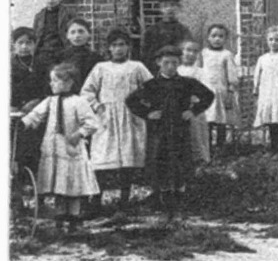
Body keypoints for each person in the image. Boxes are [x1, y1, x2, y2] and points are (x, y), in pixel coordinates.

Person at [125, 46, 214, 215]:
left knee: (181, 161)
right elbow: (131, 100)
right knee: (160, 161)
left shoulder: (187, 83)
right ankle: (162, 197)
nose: (171, 67)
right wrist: (148, 114)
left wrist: (193, 111)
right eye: (166, 63)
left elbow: (208, 95)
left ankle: (180, 195)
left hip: (180, 130)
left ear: (179, 63)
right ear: (159, 63)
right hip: (159, 131)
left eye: (174, 63)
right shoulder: (152, 84)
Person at [81, 29, 152, 212]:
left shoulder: (136, 67)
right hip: (107, 117)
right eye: (114, 45)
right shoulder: (101, 68)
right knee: (102, 157)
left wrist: (142, 105)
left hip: (130, 116)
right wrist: (97, 106)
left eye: (122, 45)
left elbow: (152, 88)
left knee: (128, 159)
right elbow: (87, 91)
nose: (118, 49)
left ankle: (124, 198)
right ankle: (96, 199)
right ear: (109, 48)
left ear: (128, 47)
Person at [22, 64, 99, 230]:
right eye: (51, 81)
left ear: (69, 82)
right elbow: (35, 116)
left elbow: (92, 123)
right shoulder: (50, 101)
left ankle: (74, 218)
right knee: (58, 182)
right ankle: (59, 216)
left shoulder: (79, 102)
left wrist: (78, 134)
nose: (51, 84)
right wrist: (23, 123)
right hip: (53, 149)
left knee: (74, 183)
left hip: (71, 149)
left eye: (55, 81)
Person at [10, 27, 50, 196]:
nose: (24, 47)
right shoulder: (9, 65)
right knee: (16, 149)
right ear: (14, 45)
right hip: (15, 112)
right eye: (20, 43)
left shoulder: (41, 64)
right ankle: (17, 189)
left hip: (37, 111)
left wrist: (36, 102)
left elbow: (48, 88)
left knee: (35, 147)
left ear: (34, 44)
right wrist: (13, 105)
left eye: (29, 43)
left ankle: (36, 188)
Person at [199, 24, 240, 156]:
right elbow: (198, 72)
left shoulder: (227, 55)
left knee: (221, 121)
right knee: (207, 121)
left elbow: (232, 76)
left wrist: (230, 92)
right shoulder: (203, 54)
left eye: (221, 36)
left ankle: (220, 149)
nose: (217, 39)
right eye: (214, 36)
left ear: (226, 39)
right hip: (205, 93)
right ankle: (207, 149)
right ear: (208, 38)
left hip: (221, 93)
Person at [177, 41, 213, 164]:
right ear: (180, 52)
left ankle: (200, 161)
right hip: (178, 109)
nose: (190, 54)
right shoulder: (177, 70)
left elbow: (206, 92)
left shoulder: (201, 72)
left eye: (194, 51)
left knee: (197, 134)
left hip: (194, 108)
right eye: (187, 50)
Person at [144, 0, 193, 73]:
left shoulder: (183, 30)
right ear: (160, 9)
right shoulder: (152, 31)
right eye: (165, 6)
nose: (169, 8)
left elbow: (187, 52)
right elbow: (147, 55)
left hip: (178, 71)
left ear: (178, 8)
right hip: (157, 71)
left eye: (173, 5)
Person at [31, 0, 70, 68]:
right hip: (43, 53)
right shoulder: (39, 16)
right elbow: (35, 36)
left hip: (61, 52)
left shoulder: (68, 14)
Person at [57, 18, 101, 96]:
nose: (77, 36)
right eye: (73, 32)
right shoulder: (61, 57)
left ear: (89, 34)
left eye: (81, 31)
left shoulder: (96, 58)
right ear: (67, 35)